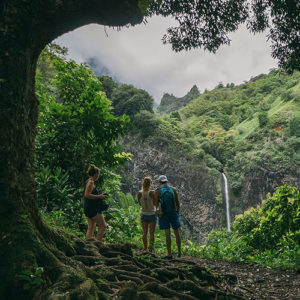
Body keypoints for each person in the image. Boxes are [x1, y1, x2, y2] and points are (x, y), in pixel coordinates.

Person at [155, 175, 181, 259]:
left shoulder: (158, 191)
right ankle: (179, 252)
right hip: (173, 212)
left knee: (167, 234)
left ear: (160, 182)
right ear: (166, 181)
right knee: (177, 232)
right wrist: (177, 212)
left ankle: (169, 254)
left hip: (164, 213)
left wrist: (159, 213)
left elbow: (156, 204)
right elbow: (177, 202)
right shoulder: (173, 189)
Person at [84, 164, 108, 241]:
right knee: (103, 226)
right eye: (98, 174)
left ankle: (89, 245)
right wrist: (100, 196)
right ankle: (98, 244)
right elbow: (87, 195)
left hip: (88, 207)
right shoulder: (90, 182)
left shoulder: (89, 181)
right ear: (95, 174)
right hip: (93, 208)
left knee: (91, 227)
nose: (98, 176)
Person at [137, 177, 157, 252]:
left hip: (144, 214)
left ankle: (145, 248)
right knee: (151, 233)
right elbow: (155, 203)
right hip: (152, 214)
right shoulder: (152, 193)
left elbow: (139, 203)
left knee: (144, 232)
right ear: (150, 184)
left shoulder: (139, 193)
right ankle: (151, 249)